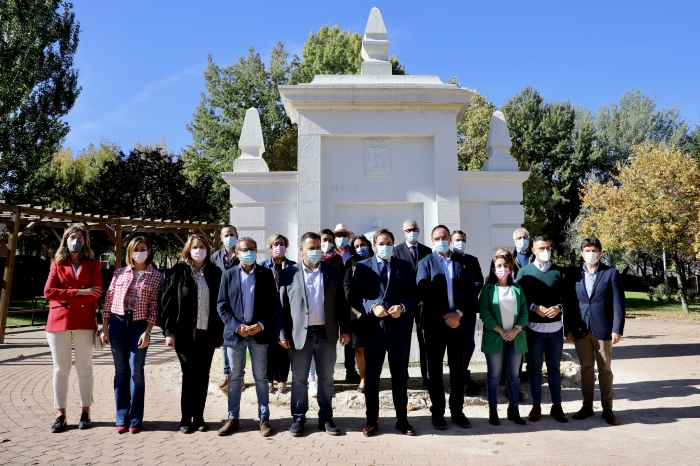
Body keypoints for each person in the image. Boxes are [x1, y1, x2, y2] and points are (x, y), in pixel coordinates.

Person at [278, 232, 351, 437]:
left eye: (318, 247)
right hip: (300, 335)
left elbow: (341, 303)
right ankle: (298, 418)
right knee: (299, 379)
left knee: (326, 379)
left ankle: (325, 418)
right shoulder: (289, 273)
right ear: (302, 250)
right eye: (311, 248)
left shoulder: (332, 270)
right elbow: (282, 306)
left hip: (327, 334)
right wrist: (282, 333)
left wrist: (345, 329)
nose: (316, 251)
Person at [349, 229, 419, 437]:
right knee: (372, 379)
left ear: (393, 244)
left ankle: (402, 420)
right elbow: (354, 296)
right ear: (374, 245)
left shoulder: (404, 266)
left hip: (398, 331)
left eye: (389, 243)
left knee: (400, 378)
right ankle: (371, 421)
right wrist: (371, 306)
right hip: (373, 330)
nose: (385, 246)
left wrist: (403, 307)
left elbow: (414, 295)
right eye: (381, 243)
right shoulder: (363, 267)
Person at [160, 233, 224, 434]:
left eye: (203, 247)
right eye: (195, 247)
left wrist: (221, 333)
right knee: (188, 374)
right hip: (184, 334)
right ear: (188, 250)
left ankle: (199, 416)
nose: (199, 250)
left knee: (203, 375)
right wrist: (169, 332)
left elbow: (221, 304)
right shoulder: (179, 271)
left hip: (207, 334)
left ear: (208, 250)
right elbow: (168, 303)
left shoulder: (215, 272)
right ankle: (185, 417)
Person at [416, 225, 477, 430]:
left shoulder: (464, 262)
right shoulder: (425, 262)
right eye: (437, 238)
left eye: (444, 237)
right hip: (434, 324)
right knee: (434, 370)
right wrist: (446, 314)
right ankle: (437, 412)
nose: (441, 241)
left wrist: (458, 313)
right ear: (432, 241)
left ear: (450, 239)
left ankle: (457, 411)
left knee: (457, 370)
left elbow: (471, 291)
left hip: (458, 324)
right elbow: (424, 290)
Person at [217, 237, 277, 437]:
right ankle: (233, 418)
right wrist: (236, 326)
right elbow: (222, 305)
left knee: (261, 377)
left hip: (259, 334)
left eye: (252, 249)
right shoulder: (228, 275)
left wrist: (261, 325)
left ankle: (264, 418)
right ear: (237, 253)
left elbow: (272, 305)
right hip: (236, 335)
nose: (248, 252)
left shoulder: (265, 274)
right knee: (234, 377)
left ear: (256, 251)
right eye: (244, 249)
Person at [102, 236, 163, 434]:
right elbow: (108, 300)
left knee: (136, 370)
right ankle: (122, 418)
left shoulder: (156, 276)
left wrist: (148, 331)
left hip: (139, 325)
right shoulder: (119, 273)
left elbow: (155, 308)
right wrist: (105, 327)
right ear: (129, 252)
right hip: (117, 323)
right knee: (121, 371)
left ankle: (136, 419)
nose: (139, 252)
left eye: (143, 248)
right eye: (136, 249)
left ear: (149, 251)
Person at [44, 226, 102, 433]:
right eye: (72, 237)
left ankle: (86, 412)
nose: (76, 240)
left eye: (80, 237)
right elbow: (48, 292)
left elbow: (97, 292)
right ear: (65, 240)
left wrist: (67, 298)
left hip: (84, 322)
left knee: (84, 368)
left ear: (85, 242)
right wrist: (81, 292)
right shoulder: (57, 264)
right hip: (58, 322)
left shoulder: (93, 264)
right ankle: (60, 414)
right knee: (61, 369)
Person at [565, 237, 626, 426]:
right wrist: (568, 327)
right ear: (581, 253)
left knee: (605, 369)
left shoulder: (611, 273)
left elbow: (619, 303)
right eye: (587, 250)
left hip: (604, 330)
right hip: (580, 329)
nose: (591, 253)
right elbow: (570, 303)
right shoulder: (573, 274)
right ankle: (587, 406)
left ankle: (607, 409)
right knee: (586, 369)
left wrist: (617, 329)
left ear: (600, 252)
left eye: (594, 250)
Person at [516, 236, 568, 423]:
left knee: (554, 369)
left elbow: (569, 297)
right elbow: (519, 297)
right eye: (541, 248)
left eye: (548, 248)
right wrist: (534, 307)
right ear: (533, 250)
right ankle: (536, 405)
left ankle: (557, 405)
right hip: (534, 329)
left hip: (555, 330)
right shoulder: (525, 272)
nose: (546, 251)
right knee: (534, 368)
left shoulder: (559, 272)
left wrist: (559, 307)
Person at [479, 249, 528, 426]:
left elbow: (524, 313)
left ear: (510, 268)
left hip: (516, 337)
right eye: (498, 266)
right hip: (495, 337)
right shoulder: (488, 289)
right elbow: (484, 312)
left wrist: (516, 329)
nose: (502, 268)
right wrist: (500, 330)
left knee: (514, 375)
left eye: (505, 265)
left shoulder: (517, 289)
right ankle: (493, 410)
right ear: (493, 269)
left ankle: (514, 409)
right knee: (494, 375)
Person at [392, 219, 432, 386]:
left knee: (425, 341)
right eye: (408, 230)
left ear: (419, 230)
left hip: (423, 304)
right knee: (404, 342)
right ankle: (403, 377)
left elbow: (430, 276)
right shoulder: (395, 251)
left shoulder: (427, 251)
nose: (412, 232)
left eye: (414, 229)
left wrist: (422, 296)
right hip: (405, 304)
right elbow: (395, 278)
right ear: (403, 233)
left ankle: (428, 378)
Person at [260, 233, 296, 394]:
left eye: (282, 244)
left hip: (287, 312)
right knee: (268, 347)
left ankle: (282, 379)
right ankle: (269, 379)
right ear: (270, 247)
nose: (279, 247)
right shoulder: (263, 267)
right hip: (269, 311)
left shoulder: (293, 266)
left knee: (283, 344)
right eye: (275, 244)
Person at [451, 229, 484, 395]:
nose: (460, 243)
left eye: (463, 240)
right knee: (454, 345)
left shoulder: (472, 260)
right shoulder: (447, 260)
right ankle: (456, 376)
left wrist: (467, 295)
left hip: (468, 310)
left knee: (469, 343)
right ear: (451, 242)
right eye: (457, 240)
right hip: (450, 312)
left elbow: (479, 281)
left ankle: (464, 374)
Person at [343, 234, 374, 393]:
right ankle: (363, 379)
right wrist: (358, 303)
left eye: (362, 245)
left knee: (373, 347)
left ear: (369, 245)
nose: (360, 248)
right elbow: (346, 286)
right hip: (356, 312)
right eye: (356, 246)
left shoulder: (376, 261)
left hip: (376, 310)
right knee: (359, 347)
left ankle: (373, 377)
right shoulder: (350, 264)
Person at [211, 225, 240, 390]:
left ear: (237, 236)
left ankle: (239, 375)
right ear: (221, 238)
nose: (229, 237)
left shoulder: (242, 254)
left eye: (232, 234)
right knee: (224, 340)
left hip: (238, 303)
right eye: (226, 235)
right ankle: (227, 374)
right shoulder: (215, 257)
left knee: (238, 340)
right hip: (221, 304)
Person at [334, 223, 361, 384]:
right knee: (329, 336)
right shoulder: (328, 253)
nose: (341, 238)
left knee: (350, 334)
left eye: (344, 235)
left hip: (349, 300)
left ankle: (350, 370)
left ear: (349, 237)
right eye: (338, 235)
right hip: (332, 299)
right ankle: (326, 372)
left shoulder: (354, 253)